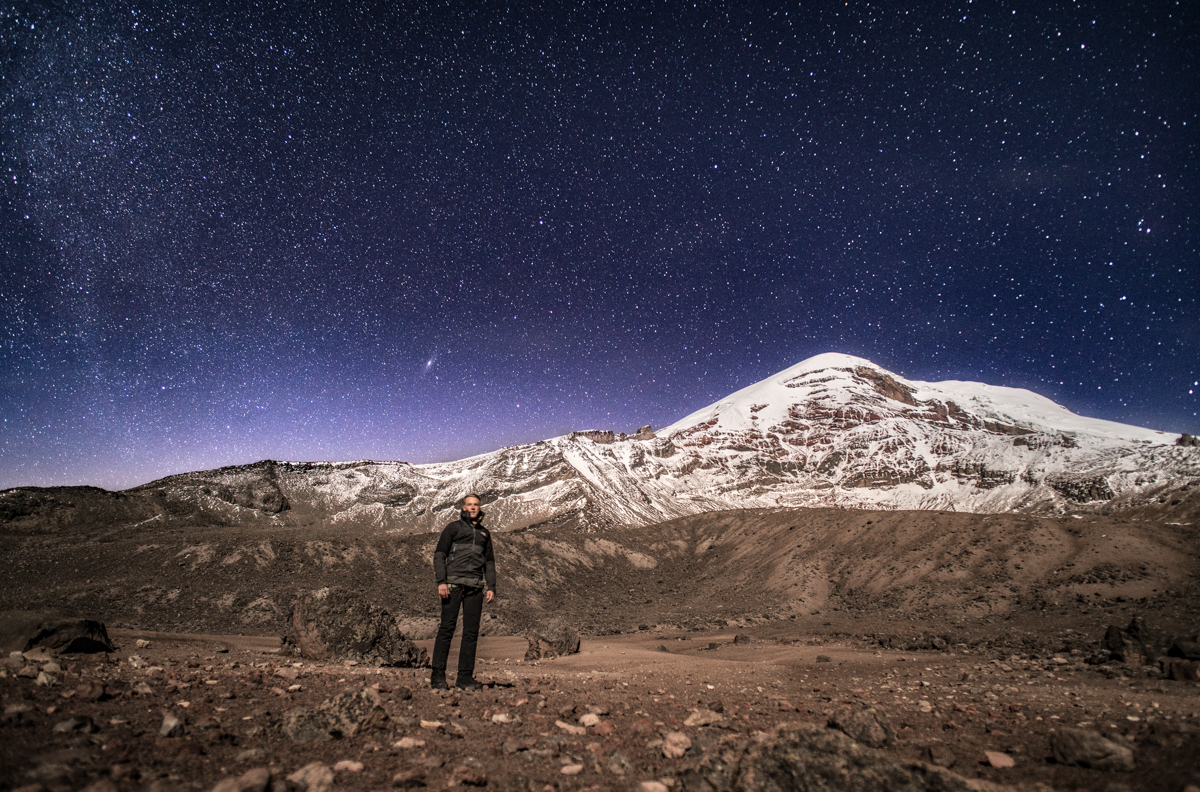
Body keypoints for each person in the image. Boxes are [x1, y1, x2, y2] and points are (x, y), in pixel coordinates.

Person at [430, 493, 496, 690]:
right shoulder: (453, 528)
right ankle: (437, 677)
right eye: (470, 504)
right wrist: (441, 581)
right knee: (446, 629)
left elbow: (490, 562)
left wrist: (491, 586)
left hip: (475, 586)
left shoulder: (485, 533)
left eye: (476, 504)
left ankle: (464, 678)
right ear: (463, 507)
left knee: (471, 633)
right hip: (453, 585)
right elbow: (439, 554)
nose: (473, 507)